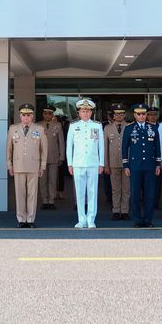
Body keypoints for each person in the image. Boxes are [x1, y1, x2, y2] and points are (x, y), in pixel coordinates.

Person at [7, 103, 47, 228]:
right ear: (20, 116)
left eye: (28, 115)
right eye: (24, 115)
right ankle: (21, 219)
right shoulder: (13, 129)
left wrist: (43, 166)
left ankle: (30, 219)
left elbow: (44, 149)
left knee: (32, 194)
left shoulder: (39, 129)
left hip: (33, 165)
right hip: (18, 166)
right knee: (19, 194)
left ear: (32, 116)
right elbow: (8, 149)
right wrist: (9, 165)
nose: (26, 117)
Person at [68, 97, 105, 229]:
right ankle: (81, 220)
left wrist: (101, 163)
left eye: (88, 111)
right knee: (79, 193)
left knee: (92, 192)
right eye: (83, 111)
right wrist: (70, 164)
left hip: (93, 163)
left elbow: (101, 146)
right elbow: (69, 146)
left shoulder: (97, 126)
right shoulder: (73, 126)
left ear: (91, 112)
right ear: (79, 112)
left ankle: (91, 219)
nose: (85, 113)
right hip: (78, 163)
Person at [123, 103, 160, 227]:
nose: (142, 116)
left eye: (144, 114)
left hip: (150, 165)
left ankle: (148, 220)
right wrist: (126, 165)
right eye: (139, 114)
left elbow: (157, 147)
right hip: (135, 166)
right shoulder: (129, 128)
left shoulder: (153, 128)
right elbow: (124, 148)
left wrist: (158, 164)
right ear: (134, 115)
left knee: (150, 194)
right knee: (135, 194)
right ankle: (138, 220)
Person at [104, 105, 129, 221]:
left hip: (127, 163)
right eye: (117, 114)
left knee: (126, 188)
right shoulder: (107, 128)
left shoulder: (130, 127)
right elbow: (105, 148)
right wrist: (106, 164)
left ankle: (125, 211)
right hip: (113, 163)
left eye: (121, 113)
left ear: (124, 115)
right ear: (113, 116)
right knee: (115, 189)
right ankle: (116, 210)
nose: (119, 116)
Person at [40, 105, 64, 209]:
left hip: (54, 156)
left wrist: (61, 156)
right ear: (43, 114)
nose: (47, 116)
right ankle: (45, 200)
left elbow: (61, 142)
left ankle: (51, 200)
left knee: (53, 179)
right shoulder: (37, 125)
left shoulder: (57, 125)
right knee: (42, 180)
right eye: (45, 113)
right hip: (41, 158)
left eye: (49, 113)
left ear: (52, 115)